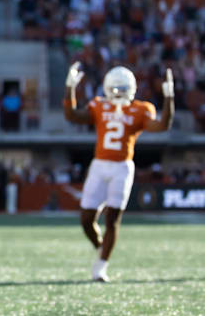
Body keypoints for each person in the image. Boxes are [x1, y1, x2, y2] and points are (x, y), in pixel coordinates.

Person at [63, 63, 174, 281]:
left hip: (122, 167)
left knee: (112, 219)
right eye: (116, 87)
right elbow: (72, 116)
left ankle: (101, 267)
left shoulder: (141, 109)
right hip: (99, 165)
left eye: (123, 87)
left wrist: (169, 99)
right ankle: (100, 247)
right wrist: (69, 89)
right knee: (86, 218)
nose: (119, 92)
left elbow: (162, 126)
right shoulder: (98, 106)